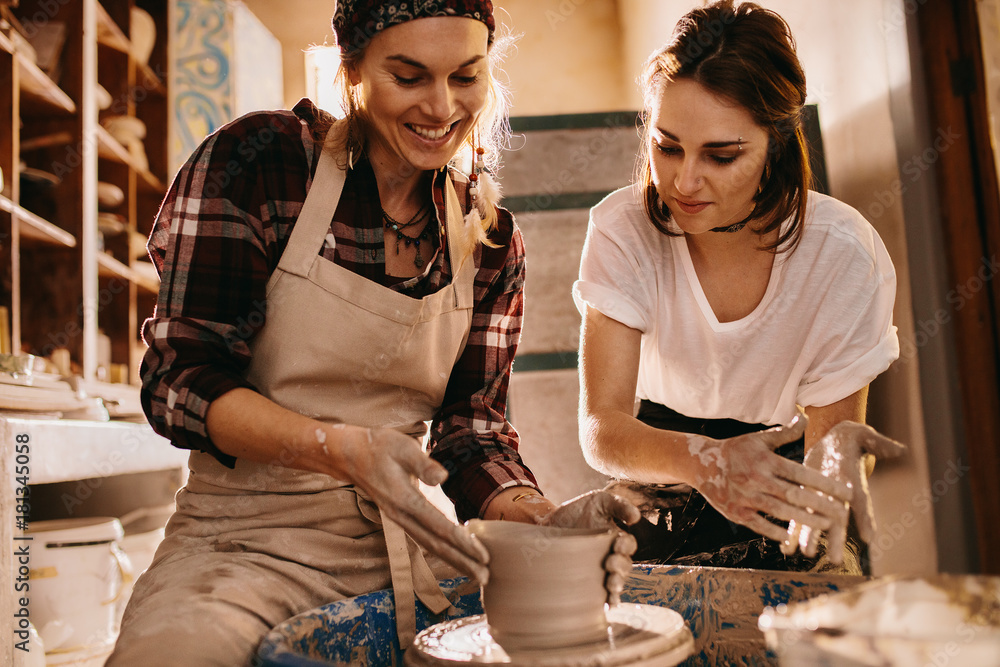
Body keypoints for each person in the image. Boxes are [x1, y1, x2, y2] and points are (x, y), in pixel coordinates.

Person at [109, 2, 637, 664]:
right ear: (352, 70)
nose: (442, 106)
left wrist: (543, 519)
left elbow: (470, 434)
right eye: (409, 76)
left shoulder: (491, 240)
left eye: (465, 76)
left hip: (405, 552)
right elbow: (177, 381)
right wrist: (340, 449)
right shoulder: (264, 165)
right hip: (238, 549)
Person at [574, 0, 904, 574]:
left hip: (785, 481)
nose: (684, 180)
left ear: (776, 145)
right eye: (666, 145)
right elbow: (602, 429)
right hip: (662, 472)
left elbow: (832, 445)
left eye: (722, 156)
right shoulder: (622, 229)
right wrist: (707, 463)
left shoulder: (843, 253)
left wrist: (836, 469)